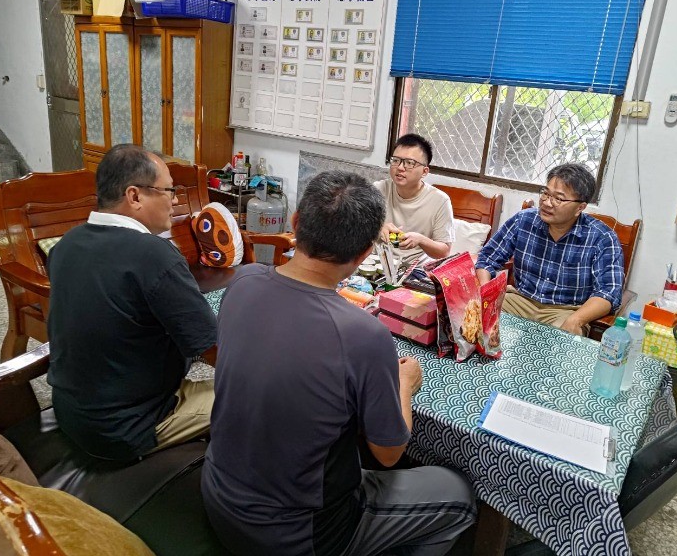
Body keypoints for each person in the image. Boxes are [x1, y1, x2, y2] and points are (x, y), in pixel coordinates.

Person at [203, 171, 476, 556]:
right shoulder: (363, 334)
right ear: (365, 253)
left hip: (218, 494)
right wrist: (404, 382)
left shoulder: (242, 282)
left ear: (296, 222)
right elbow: (388, 453)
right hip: (296, 533)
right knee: (457, 494)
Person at [47, 144, 217, 461]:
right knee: (255, 396)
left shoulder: (66, 245)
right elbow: (213, 349)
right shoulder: (154, 255)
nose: (176, 199)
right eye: (169, 190)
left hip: (72, 413)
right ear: (135, 196)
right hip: (129, 427)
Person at [475, 163, 624, 336]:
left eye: (558, 198)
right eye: (545, 193)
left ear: (580, 207)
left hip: (565, 310)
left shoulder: (602, 237)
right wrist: (486, 293)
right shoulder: (524, 220)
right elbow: (487, 258)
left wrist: (576, 319)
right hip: (520, 300)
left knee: (563, 339)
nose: (546, 202)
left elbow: (609, 292)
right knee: (475, 320)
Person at [374, 134, 455, 264]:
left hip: (415, 270)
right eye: (396, 160)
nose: (400, 167)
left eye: (409, 163)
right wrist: (379, 229)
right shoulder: (378, 189)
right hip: (377, 264)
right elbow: (354, 226)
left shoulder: (440, 201)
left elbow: (444, 251)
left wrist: (421, 240)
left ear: (424, 171)